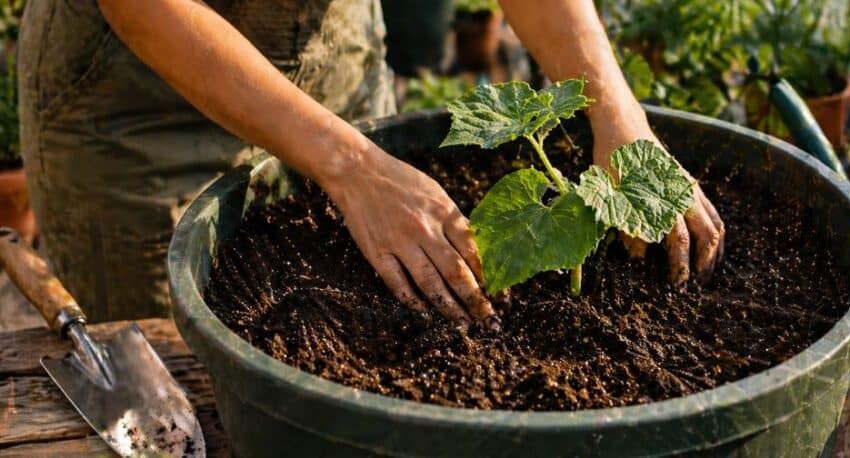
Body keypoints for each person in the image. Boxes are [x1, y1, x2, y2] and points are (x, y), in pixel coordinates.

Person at [18, 0, 725, 326]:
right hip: (143, 97)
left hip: (327, 52)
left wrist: (618, 114)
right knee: (185, 389)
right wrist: (355, 167)